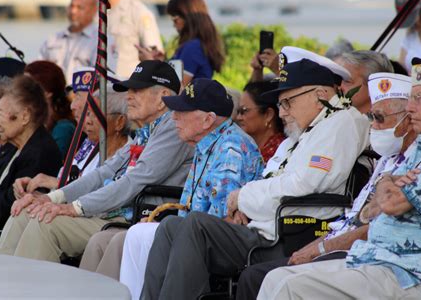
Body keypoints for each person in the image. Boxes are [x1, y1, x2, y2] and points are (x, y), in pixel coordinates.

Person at [140, 47, 370, 299]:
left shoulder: (341, 123)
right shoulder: (303, 130)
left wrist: (243, 198)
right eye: (281, 103)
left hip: (290, 232)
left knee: (196, 224)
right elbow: (269, 177)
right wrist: (243, 204)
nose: (281, 112)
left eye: (287, 101)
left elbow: (305, 184)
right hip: (263, 224)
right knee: (171, 225)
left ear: (321, 94)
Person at [257, 58, 421, 300]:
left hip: (411, 271)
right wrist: (391, 183)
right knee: (276, 278)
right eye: (411, 99)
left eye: (419, 98)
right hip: (375, 257)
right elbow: (372, 209)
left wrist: (388, 185)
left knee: (291, 287)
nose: (411, 108)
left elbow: (390, 205)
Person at [0, 60, 194, 263]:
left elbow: (134, 181)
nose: (129, 96)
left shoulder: (173, 128)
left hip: (134, 217)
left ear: (163, 98)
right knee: (26, 212)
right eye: (129, 90)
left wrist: (75, 207)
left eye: (137, 90)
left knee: (43, 222)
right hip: (112, 212)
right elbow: (103, 173)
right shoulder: (145, 132)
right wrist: (52, 199)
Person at [80, 79, 262, 297]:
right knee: (141, 232)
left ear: (208, 119)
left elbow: (218, 220)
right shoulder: (206, 142)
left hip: (221, 240)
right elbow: (190, 208)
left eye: (183, 111)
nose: (174, 116)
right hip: (196, 230)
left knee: (143, 233)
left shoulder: (230, 148)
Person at [0, 75, 62, 252]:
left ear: (24, 117)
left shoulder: (40, 152)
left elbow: (4, 210)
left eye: (0, 114)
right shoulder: (18, 147)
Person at [13, 83, 130, 198]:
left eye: (96, 115)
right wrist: (37, 196)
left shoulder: (129, 157)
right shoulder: (90, 145)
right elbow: (64, 183)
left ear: (119, 122)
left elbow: (103, 200)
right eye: (88, 113)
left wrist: (59, 184)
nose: (88, 121)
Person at [138, 0, 225, 86]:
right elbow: (174, 76)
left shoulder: (193, 47)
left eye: (175, 20)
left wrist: (150, 64)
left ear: (188, 18)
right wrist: (162, 62)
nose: (173, 25)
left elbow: (177, 87)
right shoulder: (197, 45)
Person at [38, 0, 98, 83]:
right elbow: (38, 70)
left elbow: (102, 79)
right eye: (71, 6)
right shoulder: (53, 39)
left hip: (82, 95)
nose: (73, 11)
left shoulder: (100, 42)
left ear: (93, 11)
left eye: (80, 7)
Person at [107, 0, 163, 78]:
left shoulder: (139, 12)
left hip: (128, 85)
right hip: (103, 85)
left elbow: (156, 56)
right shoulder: (99, 11)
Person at [25, 61, 75, 158]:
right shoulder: (36, 122)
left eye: (27, 87)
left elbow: (48, 164)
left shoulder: (63, 129)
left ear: (47, 92)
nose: (20, 91)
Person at [235, 81, 285, 162]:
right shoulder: (243, 148)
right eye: (238, 111)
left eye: (244, 110)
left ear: (268, 115)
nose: (238, 117)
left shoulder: (280, 151)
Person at [333, 50, 394, 114]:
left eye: (347, 81)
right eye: (338, 79)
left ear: (373, 89)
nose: (338, 87)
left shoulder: (379, 123)